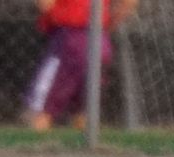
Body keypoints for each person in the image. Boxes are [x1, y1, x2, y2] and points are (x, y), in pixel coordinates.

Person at [23, 0, 138, 132]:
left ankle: (37, 136)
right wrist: (109, 22)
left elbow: (45, 3)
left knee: (42, 109)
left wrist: (55, 16)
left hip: (69, 36)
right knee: (85, 108)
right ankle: (86, 139)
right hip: (100, 39)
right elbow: (129, 2)